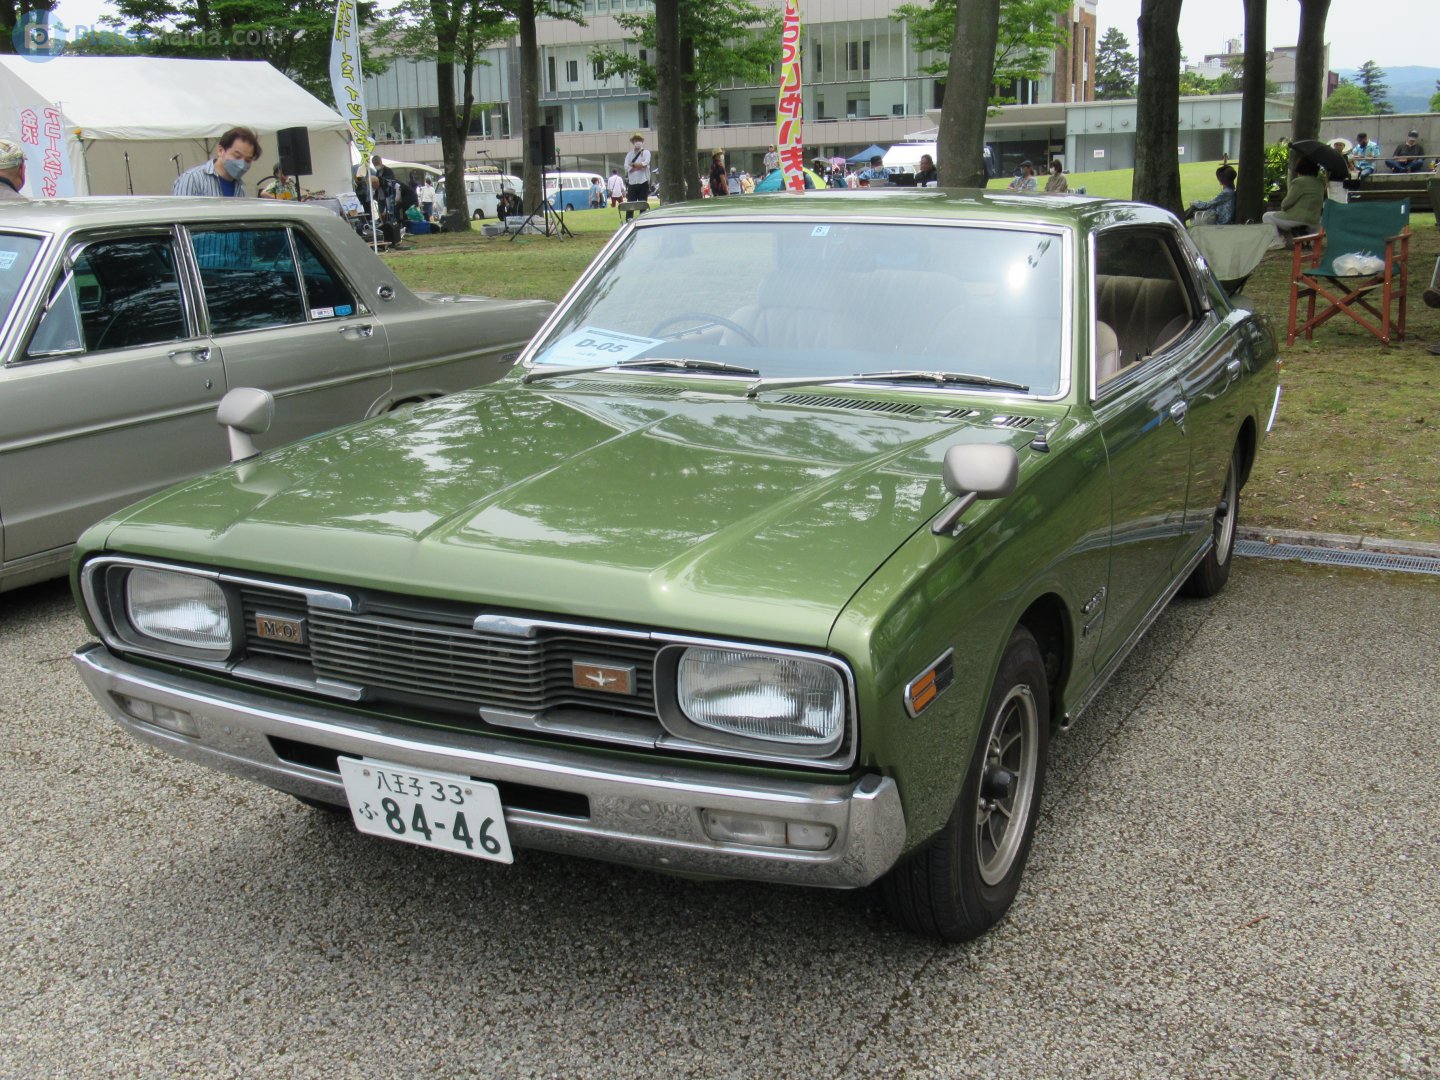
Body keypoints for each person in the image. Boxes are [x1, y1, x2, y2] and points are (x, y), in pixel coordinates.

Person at [173, 127, 261, 197]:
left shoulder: (242, 189)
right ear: (220, 150)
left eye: (248, 160)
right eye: (237, 156)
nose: (242, 164)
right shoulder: (192, 179)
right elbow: (179, 216)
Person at [1262, 157, 1325, 235]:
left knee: (1267, 216)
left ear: (1300, 169)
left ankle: (1276, 242)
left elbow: (1286, 203)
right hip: (1315, 220)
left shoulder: (1299, 182)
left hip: (1297, 218)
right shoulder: (1320, 184)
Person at [623, 132, 651, 220]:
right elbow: (626, 166)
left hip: (643, 181)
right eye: (636, 140)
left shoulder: (646, 152)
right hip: (632, 182)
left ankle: (643, 219)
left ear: (642, 141)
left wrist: (633, 165)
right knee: (630, 203)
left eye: (639, 140)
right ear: (633, 142)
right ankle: (629, 220)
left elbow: (645, 164)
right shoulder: (629, 154)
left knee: (643, 203)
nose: (637, 142)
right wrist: (638, 166)